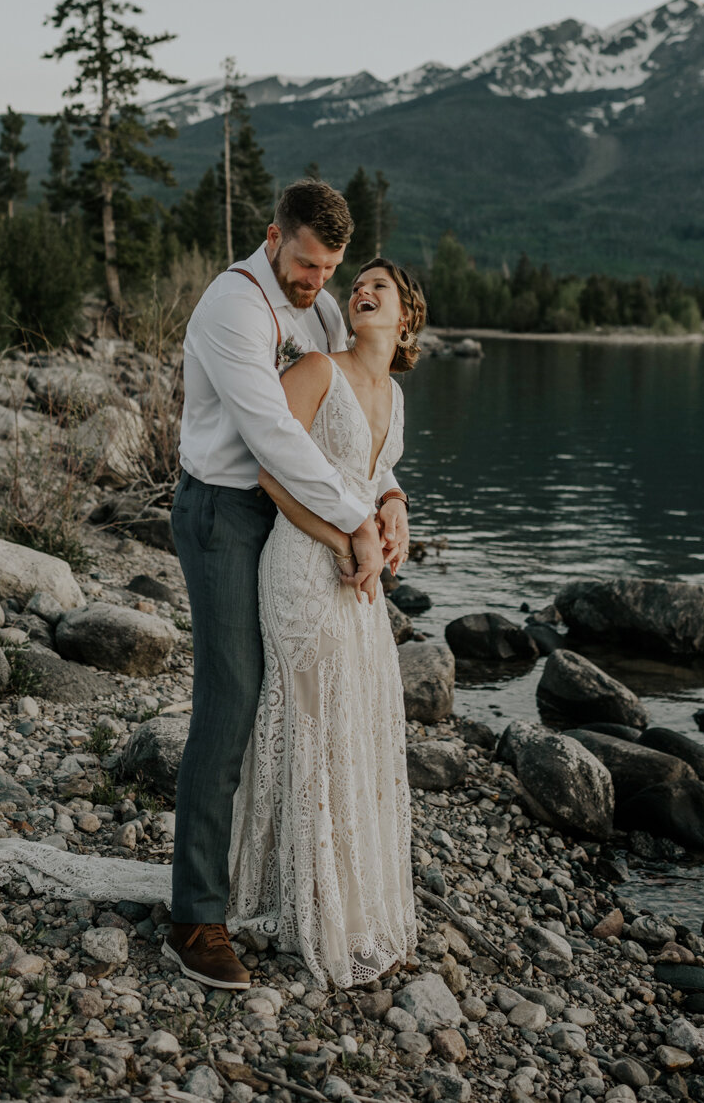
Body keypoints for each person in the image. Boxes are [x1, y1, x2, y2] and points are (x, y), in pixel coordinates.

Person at [163, 181, 410, 990]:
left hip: (296, 522)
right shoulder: (233, 308)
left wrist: (388, 500)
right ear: (274, 238)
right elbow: (270, 434)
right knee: (231, 702)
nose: (318, 281)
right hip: (225, 514)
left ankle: (275, 877)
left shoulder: (325, 306)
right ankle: (196, 918)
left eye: (330, 267)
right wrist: (354, 522)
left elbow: (348, 428)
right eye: (306, 264)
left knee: (290, 710)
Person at [227, 257, 426, 988]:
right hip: (303, 566)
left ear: (406, 316)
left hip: (359, 576)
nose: (364, 291)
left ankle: (334, 900)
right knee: (306, 724)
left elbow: (374, 474)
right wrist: (345, 537)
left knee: (348, 728)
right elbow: (270, 470)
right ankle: (296, 905)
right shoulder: (316, 367)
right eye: (359, 284)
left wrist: (395, 506)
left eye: (383, 287)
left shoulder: (393, 394)